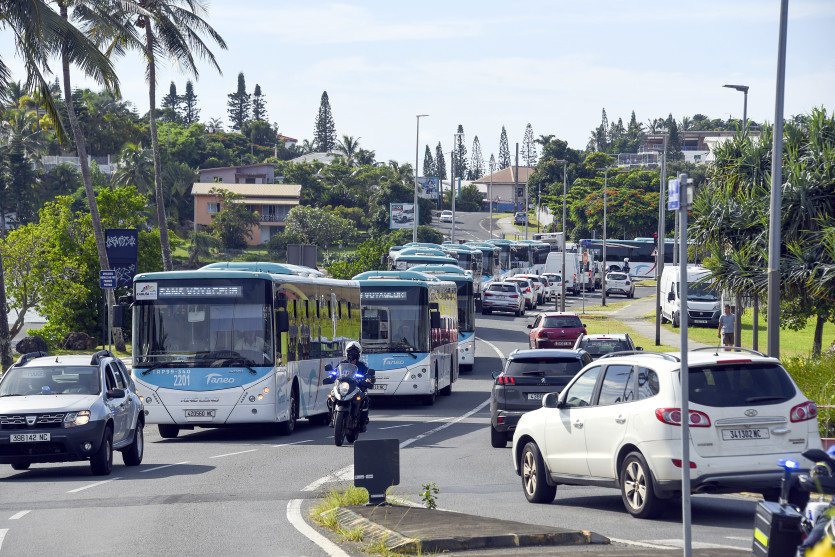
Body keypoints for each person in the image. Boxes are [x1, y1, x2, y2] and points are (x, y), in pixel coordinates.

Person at [340, 341, 374, 432]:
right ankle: (332, 417)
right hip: (344, 387)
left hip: (357, 387)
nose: (352, 354)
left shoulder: (362, 365)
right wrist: (331, 375)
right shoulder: (342, 363)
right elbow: (335, 371)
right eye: (351, 352)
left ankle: (362, 423)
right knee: (331, 397)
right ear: (347, 353)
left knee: (365, 400)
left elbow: (368, 374)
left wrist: (368, 379)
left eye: (355, 352)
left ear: (359, 353)